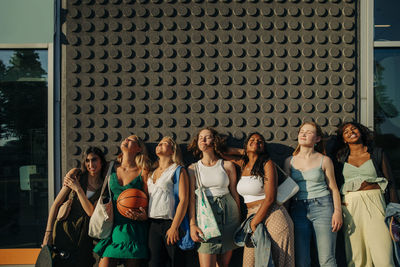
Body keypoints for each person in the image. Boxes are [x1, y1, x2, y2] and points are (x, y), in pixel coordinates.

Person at [335, 122, 398, 267]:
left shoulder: (377, 153)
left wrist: (395, 209)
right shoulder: (340, 159)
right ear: (344, 139)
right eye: (346, 132)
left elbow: (391, 182)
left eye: (354, 128)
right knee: (356, 254)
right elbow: (334, 184)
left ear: (361, 132)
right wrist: (340, 204)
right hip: (350, 207)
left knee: (383, 250)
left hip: (375, 202)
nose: (351, 132)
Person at [284, 122, 342, 267]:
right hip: (298, 209)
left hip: (323, 207)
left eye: (309, 132)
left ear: (317, 139)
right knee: (302, 260)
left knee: (327, 259)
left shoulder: (325, 160)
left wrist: (338, 212)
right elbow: (287, 191)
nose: (303, 134)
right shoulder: (289, 162)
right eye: (302, 131)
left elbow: (333, 189)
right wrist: (285, 214)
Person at [234, 132, 295, 267]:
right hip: (251, 215)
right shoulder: (242, 164)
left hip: (273, 214)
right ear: (246, 144)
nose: (256, 142)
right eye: (252, 140)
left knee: (279, 260)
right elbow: (222, 152)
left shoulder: (267, 164)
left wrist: (255, 221)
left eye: (260, 141)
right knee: (250, 262)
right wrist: (246, 152)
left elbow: (270, 198)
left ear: (264, 148)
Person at [42, 146, 107, 267]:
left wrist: (77, 189)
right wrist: (48, 233)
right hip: (64, 230)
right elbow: (55, 205)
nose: (90, 164)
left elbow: (91, 212)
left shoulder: (104, 187)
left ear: (101, 162)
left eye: (94, 160)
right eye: (87, 160)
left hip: (86, 237)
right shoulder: (76, 176)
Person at [93, 135, 151, 267]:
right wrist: (74, 173)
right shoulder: (110, 167)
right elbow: (90, 173)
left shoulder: (143, 171)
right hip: (113, 226)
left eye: (131, 140)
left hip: (134, 226)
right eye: (126, 138)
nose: (126, 140)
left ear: (138, 149)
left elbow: (149, 200)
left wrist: (144, 215)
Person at [187, 127, 241, 267]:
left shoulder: (228, 165)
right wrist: (193, 224)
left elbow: (234, 192)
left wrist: (239, 219)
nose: (203, 140)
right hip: (205, 215)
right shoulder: (193, 169)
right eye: (200, 138)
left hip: (229, 214)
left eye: (207, 137)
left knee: (223, 265)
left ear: (215, 140)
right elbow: (192, 199)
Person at [147, 136, 189, 267]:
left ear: (172, 151)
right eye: (159, 143)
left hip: (170, 223)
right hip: (153, 224)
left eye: (165, 143)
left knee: (175, 263)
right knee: (154, 263)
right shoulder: (151, 173)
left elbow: (184, 199)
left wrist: (174, 227)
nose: (160, 144)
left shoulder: (178, 170)